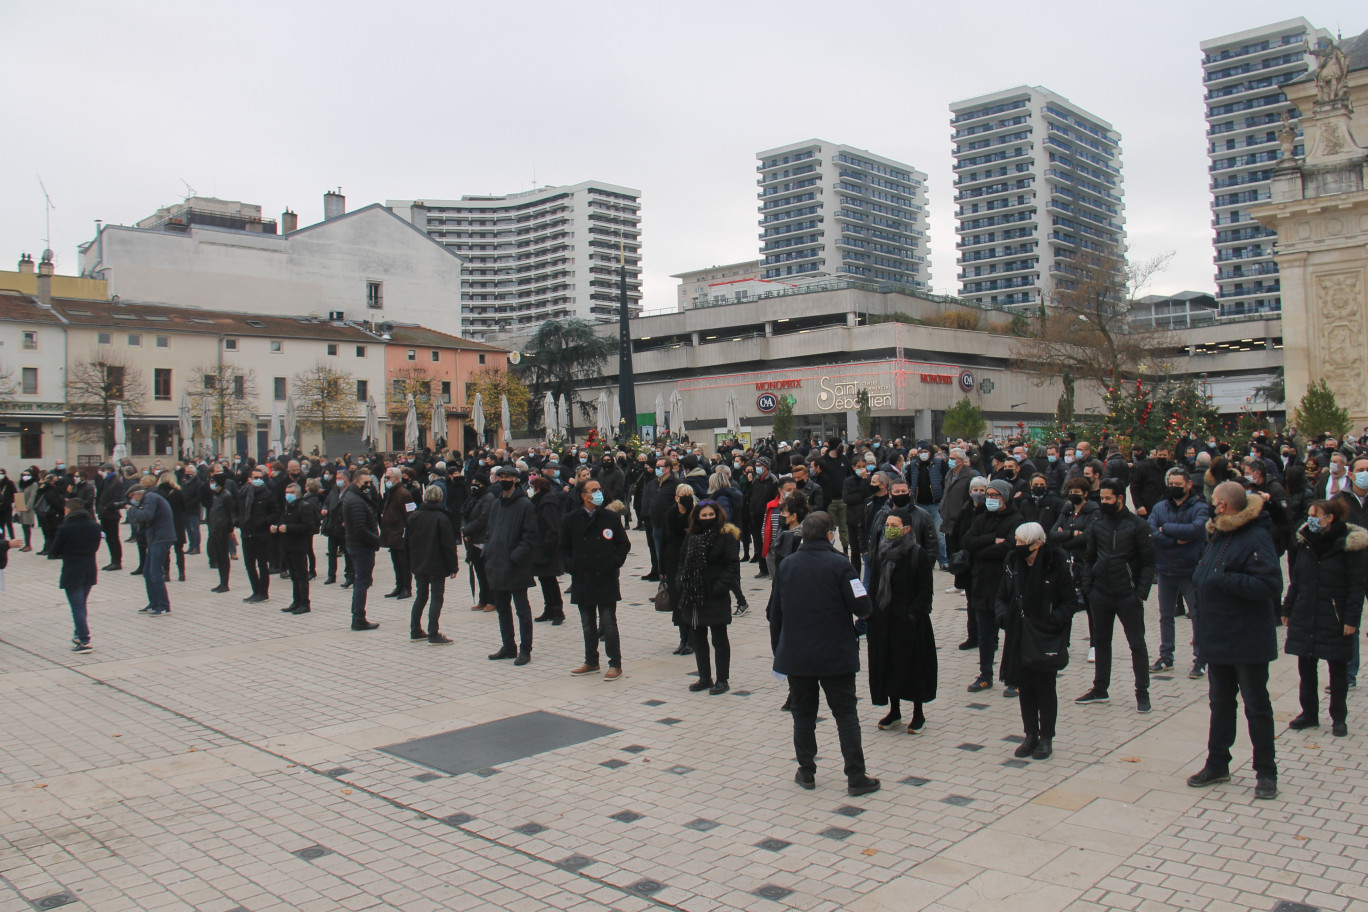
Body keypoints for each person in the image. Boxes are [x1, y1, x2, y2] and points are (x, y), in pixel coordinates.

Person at [771, 511, 881, 796]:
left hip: (797, 654)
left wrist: (780, 650)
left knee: (803, 714)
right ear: (830, 533)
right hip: (836, 653)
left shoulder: (788, 565)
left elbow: (776, 611)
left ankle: (806, 771)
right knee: (845, 714)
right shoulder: (841, 564)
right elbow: (862, 606)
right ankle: (856, 776)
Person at [1187, 481, 1283, 800]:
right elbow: (1205, 576)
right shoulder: (1219, 535)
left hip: (1247, 640)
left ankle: (1266, 772)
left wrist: (1226, 580)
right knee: (1220, 705)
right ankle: (1217, 763)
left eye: (1214, 501)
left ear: (1225, 506)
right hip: (1217, 638)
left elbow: (1270, 583)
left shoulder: (1256, 537)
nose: (1211, 505)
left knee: (1256, 707)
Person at [995, 522, 1079, 760]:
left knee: (1045, 688)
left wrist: (1052, 621)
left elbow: (1070, 602)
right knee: (1025, 688)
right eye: (1017, 541)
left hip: (1044, 636)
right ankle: (1030, 734)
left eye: (1023, 543)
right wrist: (1003, 617)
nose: (1018, 546)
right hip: (1019, 634)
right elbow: (1001, 595)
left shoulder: (1056, 567)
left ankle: (1047, 737)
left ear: (1038, 544)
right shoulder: (1013, 564)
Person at [1282, 498, 1364, 737]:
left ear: (1330, 519)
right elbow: (1296, 579)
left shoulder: (1348, 546)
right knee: (1306, 668)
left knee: (1337, 669)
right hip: (1306, 612)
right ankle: (1309, 713)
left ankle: (1339, 717)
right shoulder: (1305, 542)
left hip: (1334, 616)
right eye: (1309, 515)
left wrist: (1351, 620)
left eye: (1315, 516)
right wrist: (1287, 608)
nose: (1310, 520)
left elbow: (1356, 587)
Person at [1076, 479, 1156, 712]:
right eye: (1102, 498)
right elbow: (1089, 557)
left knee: (1137, 644)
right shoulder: (1098, 524)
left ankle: (1142, 692)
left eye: (1108, 498)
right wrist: (1088, 588)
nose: (1104, 502)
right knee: (1101, 642)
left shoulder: (1137, 526)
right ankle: (1100, 688)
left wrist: (1140, 593)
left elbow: (1148, 563)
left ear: (1121, 498)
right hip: (1100, 593)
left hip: (1127, 595)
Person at [864, 509, 936, 735]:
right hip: (883, 620)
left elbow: (926, 590)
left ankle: (918, 713)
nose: (889, 529)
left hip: (909, 622)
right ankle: (894, 710)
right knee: (888, 664)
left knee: (913, 666)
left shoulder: (917, 554)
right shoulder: (879, 552)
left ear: (906, 529)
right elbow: (873, 585)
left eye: (894, 525)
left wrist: (912, 614)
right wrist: (870, 612)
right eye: (887, 524)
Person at [562, 479, 631, 679]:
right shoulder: (571, 520)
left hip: (606, 577)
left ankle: (615, 663)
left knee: (608, 622)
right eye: (594, 490)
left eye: (600, 489)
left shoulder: (610, 517)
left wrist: (614, 562)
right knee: (587, 623)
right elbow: (563, 548)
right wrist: (572, 566)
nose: (599, 493)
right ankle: (591, 661)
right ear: (584, 496)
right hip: (583, 577)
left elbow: (623, 544)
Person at [960, 479, 1023, 694]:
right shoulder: (980, 517)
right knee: (985, 635)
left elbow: (1010, 546)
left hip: (1004, 584)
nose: (990, 499)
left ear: (1005, 498)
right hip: (981, 584)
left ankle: (1014, 678)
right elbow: (968, 541)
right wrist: (991, 540)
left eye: (995, 495)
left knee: (1011, 633)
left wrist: (984, 548)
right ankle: (985, 675)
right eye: (988, 495)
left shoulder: (1016, 519)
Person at [675, 499, 742, 694]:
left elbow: (732, 565)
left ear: (717, 515)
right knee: (698, 637)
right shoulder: (691, 535)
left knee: (719, 639)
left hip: (715, 595)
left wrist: (719, 587)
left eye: (710, 515)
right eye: (703, 516)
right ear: (697, 517)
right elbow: (681, 560)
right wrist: (681, 581)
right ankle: (704, 677)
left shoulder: (725, 535)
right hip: (693, 596)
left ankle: (723, 679)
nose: (707, 518)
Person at [1148, 468, 1209, 676]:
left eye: (1178, 485)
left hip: (1191, 570)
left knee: (1196, 615)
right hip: (1165, 569)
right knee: (1166, 616)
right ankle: (1166, 656)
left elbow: (1196, 530)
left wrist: (1167, 529)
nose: (1174, 488)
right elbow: (1153, 532)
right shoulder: (1159, 507)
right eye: (1171, 484)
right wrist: (1176, 539)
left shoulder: (1200, 507)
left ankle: (1200, 659)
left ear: (1189, 485)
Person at [484, 465, 540, 665]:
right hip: (497, 563)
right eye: (501, 477)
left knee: (522, 609)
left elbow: (531, 535)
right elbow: (491, 530)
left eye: (508, 477)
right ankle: (508, 645)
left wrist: (516, 556)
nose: (504, 480)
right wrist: (488, 551)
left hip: (516, 565)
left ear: (516, 479)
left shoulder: (524, 504)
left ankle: (525, 649)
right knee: (502, 608)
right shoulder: (497, 504)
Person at [48, 498, 104, 653]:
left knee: (77, 606)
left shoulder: (65, 528)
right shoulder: (94, 526)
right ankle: (78, 634)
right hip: (89, 568)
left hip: (72, 569)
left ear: (69, 510)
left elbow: (54, 550)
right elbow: (96, 546)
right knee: (81, 604)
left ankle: (85, 640)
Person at [407, 484, 461, 645]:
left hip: (418, 562)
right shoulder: (441, 518)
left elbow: (407, 541)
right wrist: (453, 566)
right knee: (437, 597)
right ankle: (433, 632)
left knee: (421, 596)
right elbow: (448, 545)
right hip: (437, 563)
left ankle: (415, 629)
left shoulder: (414, 516)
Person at [126, 477, 175, 617]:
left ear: (138, 493)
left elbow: (146, 515)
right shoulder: (149, 498)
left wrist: (131, 510)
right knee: (148, 572)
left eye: (132, 497)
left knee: (155, 573)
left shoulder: (150, 497)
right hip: (155, 538)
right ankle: (153, 603)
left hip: (161, 538)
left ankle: (164, 605)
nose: (132, 500)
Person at [341, 470, 382, 631]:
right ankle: (358, 617)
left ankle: (358, 615)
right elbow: (360, 528)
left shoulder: (356, 497)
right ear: (357, 482)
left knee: (362, 580)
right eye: (365, 483)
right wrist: (377, 540)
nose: (369, 486)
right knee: (362, 582)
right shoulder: (356, 501)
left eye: (370, 483)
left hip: (357, 545)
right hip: (361, 546)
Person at [661, 483, 697, 655]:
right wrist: (662, 568)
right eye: (683, 495)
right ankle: (683, 637)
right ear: (676, 497)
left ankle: (692, 639)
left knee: (690, 600)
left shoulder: (695, 514)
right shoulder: (669, 515)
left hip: (692, 561)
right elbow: (664, 541)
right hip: (673, 561)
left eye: (689, 495)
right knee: (677, 601)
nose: (686, 498)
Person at [274, 482, 319, 614]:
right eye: (287, 493)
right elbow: (283, 521)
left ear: (298, 493)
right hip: (287, 546)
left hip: (299, 546)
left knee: (301, 576)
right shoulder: (288, 506)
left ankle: (305, 603)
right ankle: (296, 601)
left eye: (292, 493)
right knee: (293, 576)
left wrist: (288, 528)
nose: (289, 495)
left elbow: (309, 527)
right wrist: (277, 528)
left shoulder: (304, 506)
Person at [529, 475, 566, 625]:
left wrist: (549, 545)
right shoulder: (539, 500)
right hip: (540, 546)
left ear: (538, 488)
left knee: (550, 580)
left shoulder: (547, 502)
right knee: (544, 579)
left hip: (548, 547)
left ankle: (558, 610)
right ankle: (548, 609)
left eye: (532, 487)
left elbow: (552, 525)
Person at [239, 468, 279, 604]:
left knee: (262, 564)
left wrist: (264, 521)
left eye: (259, 477)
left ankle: (263, 592)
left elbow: (275, 512)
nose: (258, 480)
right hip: (247, 533)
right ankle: (255, 591)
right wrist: (238, 522)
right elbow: (237, 509)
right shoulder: (244, 493)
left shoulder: (267, 494)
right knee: (249, 565)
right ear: (249, 479)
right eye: (255, 477)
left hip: (261, 534)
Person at [380, 467, 414, 600]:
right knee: (396, 562)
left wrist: (407, 533)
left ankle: (406, 587)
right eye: (385, 478)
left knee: (404, 562)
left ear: (397, 479)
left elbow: (410, 515)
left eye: (388, 478)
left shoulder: (404, 494)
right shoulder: (390, 492)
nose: (386, 480)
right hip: (391, 534)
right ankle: (399, 586)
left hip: (401, 535)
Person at [205, 473, 238, 593]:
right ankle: (221, 582)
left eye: (214, 482)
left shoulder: (226, 496)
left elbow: (231, 514)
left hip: (222, 530)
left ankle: (225, 583)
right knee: (218, 557)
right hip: (214, 529)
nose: (212, 484)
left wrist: (230, 530)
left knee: (223, 557)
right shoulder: (215, 496)